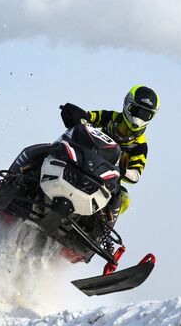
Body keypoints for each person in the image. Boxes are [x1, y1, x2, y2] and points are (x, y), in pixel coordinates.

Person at [59, 85, 159, 245]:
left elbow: (136, 175)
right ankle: (17, 179)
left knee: (123, 198)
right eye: (136, 110)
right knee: (52, 149)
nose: (138, 118)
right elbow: (88, 117)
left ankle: (97, 237)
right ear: (127, 105)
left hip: (106, 178)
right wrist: (75, 114)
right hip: (83, 159)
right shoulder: (110, 117)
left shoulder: (141, 146)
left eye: (145, 114)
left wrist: (121, 170)